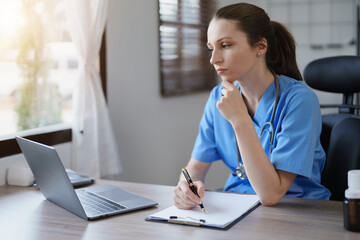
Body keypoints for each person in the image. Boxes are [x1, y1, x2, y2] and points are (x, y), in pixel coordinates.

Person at [173, 2, 331, 208]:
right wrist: (186, 188)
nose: (214, 59)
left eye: (226, 45)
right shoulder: (217, 98)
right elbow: (196, 165)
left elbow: (271, 195)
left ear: (261, 46)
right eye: (211, 48)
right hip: (239, 206)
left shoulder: (299, 100)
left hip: (296, 211)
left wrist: (240, 119)